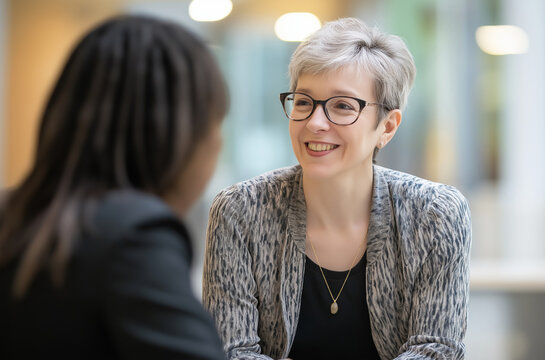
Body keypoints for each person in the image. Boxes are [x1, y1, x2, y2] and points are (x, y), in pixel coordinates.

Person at [203, 17, 472, 360]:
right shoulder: (240, 211)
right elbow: (230, 351)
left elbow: (437, 350)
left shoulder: (435, 214)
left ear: (387, 127)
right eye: (303, 102)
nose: (315, 123)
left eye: (342, 106)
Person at [0, 15, 228, 359]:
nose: (219, 141)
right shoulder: (134, 236)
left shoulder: (14, 217)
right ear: (177, 135)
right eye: (215, 122)